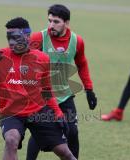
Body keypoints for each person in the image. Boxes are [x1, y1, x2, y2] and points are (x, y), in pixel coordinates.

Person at [0, 17, 77, 160]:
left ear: (27, 36)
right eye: (9, 38)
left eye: (15, 37)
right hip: (11, 113)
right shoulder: (0, 56)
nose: (11, 42)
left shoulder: (42, 58)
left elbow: (46, 90)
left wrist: (57, 112)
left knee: (64, 151)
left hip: (38, 111)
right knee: (11, 140)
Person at [26, 4, 97, 160]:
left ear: (66, 23)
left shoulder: (77, 41)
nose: (51, 25)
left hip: (64, 95)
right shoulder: (38, 38)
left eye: (56, 21)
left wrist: (89, 90)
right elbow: (21, 57)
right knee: (40, 133)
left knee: (73, 132)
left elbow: (82, 64)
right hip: (42, 96)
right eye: (49, 20)